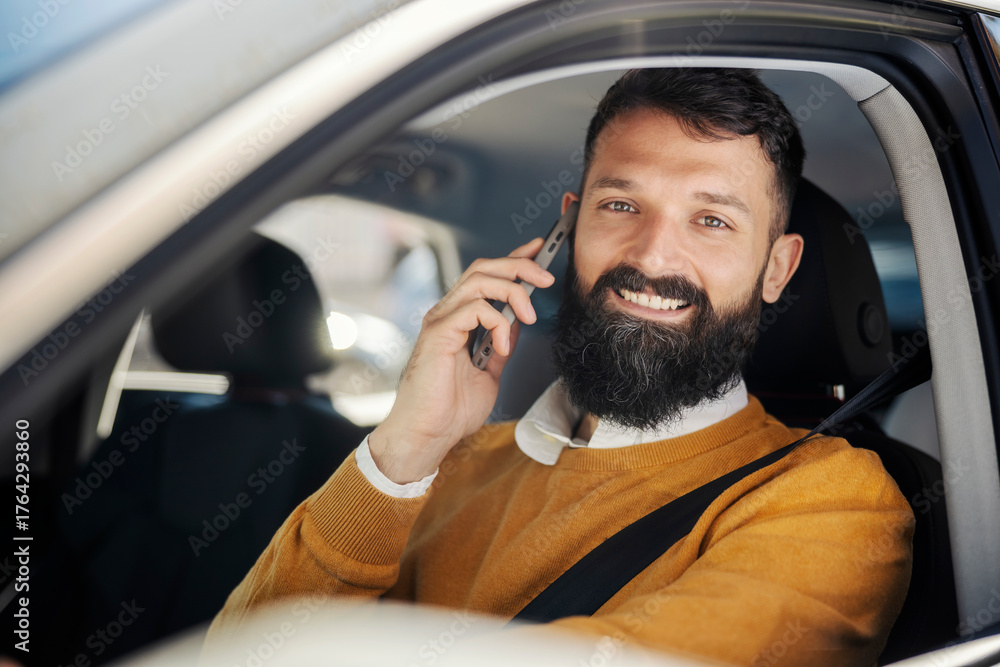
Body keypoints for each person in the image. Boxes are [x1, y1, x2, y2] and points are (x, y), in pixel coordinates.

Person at [205, 68, 914, 666]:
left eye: (712, 220)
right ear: (570, 226)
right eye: (621, 204)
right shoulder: (447, 465)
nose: (652, 256)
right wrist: (404, 447)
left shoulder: (832, 499)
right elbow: (245, 653)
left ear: (777, 268)